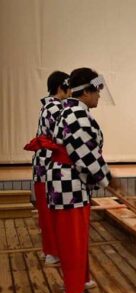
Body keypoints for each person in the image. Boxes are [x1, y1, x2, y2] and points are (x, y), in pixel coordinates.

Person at [45, 67, 118, 293]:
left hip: (70, 182)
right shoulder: (77, 115)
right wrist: (108, 180)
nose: (98, 95)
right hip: (69, 184)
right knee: (72, 238)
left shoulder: (71, 111)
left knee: (77, 237)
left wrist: (105, 177)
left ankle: (80, 280)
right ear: (85, 92)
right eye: (96, 90)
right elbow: (85, 154)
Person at [24, 71, 71, 267]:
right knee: (49, 211)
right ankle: (52, 253)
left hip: (43, 165)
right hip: (47, 166)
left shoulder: (50, 106)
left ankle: (51, 251)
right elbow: (63, 136)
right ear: (62, 87)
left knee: (48, 211)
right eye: (70, 88)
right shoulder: (55, 108)